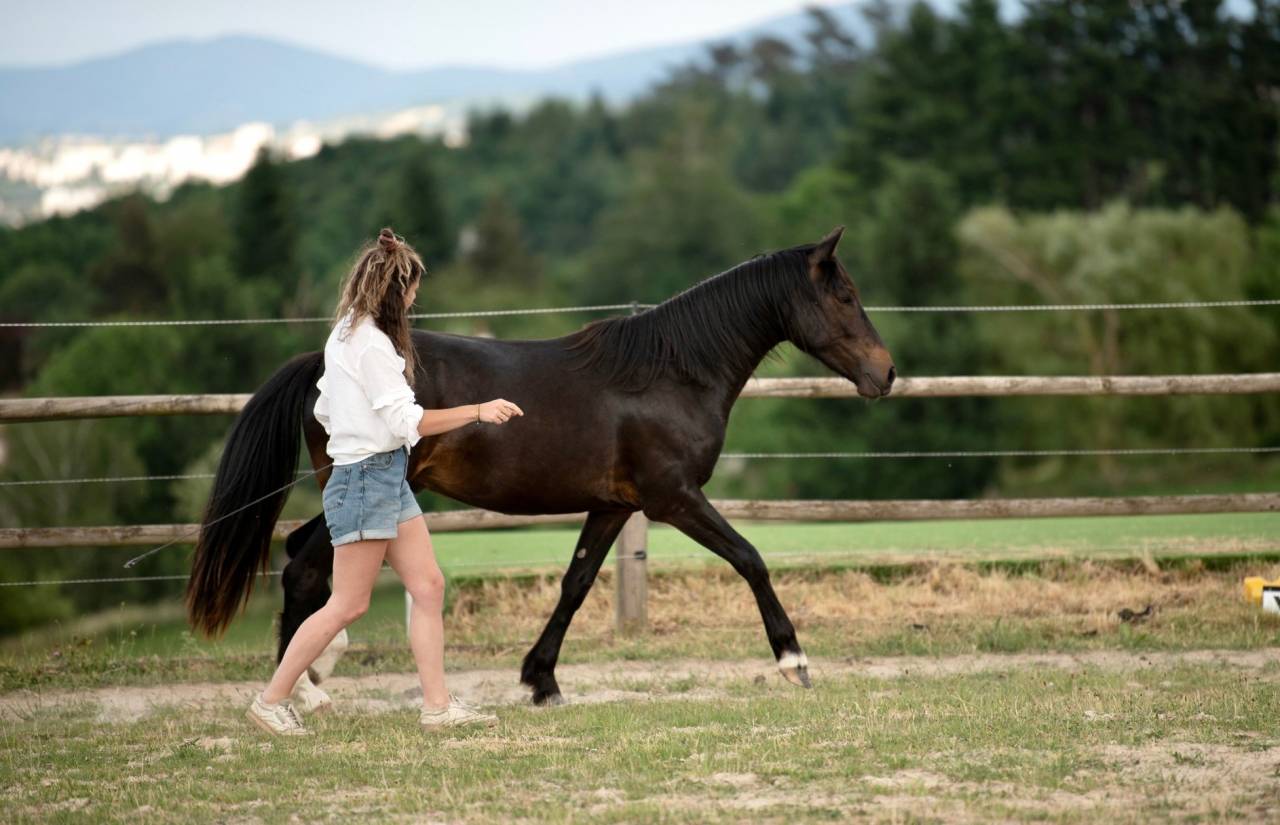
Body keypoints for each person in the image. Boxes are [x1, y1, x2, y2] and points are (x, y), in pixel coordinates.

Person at [245, 227, 524, 736]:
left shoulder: (346, 333)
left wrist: (356, 439)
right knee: (348, 604)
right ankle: (271, 699)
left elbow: (328, 408)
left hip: (383, 476)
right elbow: (409, 422)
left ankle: (437, 707)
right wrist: (478, 410)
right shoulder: (370, 345)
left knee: (428, 585)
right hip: (367, 480)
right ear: (396, 291)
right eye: (412, 291)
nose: (415, 300)